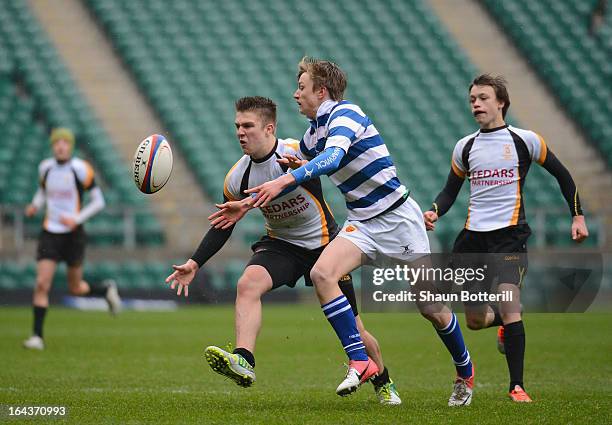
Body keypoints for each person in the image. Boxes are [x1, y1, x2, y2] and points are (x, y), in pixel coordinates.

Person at [230, 58, 475, 406]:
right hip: (361, 222)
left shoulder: (346, 114)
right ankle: (360, 360)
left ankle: (465, 371)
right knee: (323, 273)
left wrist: (291, 174)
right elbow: (297, 160)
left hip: (398, 218)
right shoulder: (314, 130)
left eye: (302, 87)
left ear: (322, 91)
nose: (295, 94)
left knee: (430, 306)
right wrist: (246, 203)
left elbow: (330, 158)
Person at [165, 96, 401, 405]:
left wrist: (301, 171)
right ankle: (244, 359)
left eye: (248, 126)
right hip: (282, 245)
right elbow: (225, 222)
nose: (240, 132)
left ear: (269, 128)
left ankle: (384, 382)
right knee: (247, 284)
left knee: (355, 328)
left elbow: (313, 183)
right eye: (237, 126)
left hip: (324, 244)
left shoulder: (294, 153)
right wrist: (195, 263)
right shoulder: (238, 176)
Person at [423, 74, 589, 402]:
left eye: (483, 98)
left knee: (509, 301)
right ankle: (501, 320)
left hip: (510, 238)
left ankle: (517, 386)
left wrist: (578, 215)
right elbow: (449, 191)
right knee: (473, 320)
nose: (476, 104)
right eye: (472, 99)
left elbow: (563, 175)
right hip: (472, 240)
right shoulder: (465, 146)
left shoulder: (525, 140)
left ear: (501, 102)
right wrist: (434, 211)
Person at [23, 128, 121, 351]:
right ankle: (37, 337)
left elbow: (99, 202)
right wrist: (34, 205)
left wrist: (76, 219)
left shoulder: (80, 169)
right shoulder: (45, 167)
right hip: (50, 232)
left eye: (65, 142)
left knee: (75, 288)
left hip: (73, 234)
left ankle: (105, 290)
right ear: (52, 146)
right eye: (56, 142)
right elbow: (42, 192)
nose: (60, 146)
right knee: (41, 284)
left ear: (71, 145)